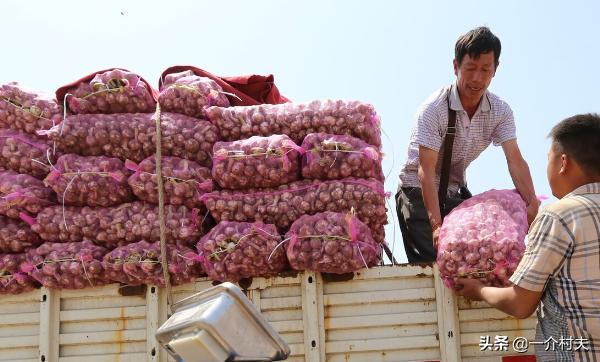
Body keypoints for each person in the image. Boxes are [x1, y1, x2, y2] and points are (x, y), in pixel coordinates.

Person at [455, 113, 600, 361]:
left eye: (549, 159)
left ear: (563, 163)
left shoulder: (559, 216)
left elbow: (520, 303)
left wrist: (478, 290)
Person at [396, 26, 539, 262]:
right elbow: (426, 171)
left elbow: (514, 159)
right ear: (456, 66)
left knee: (477, 258)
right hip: (418, 193)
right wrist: (435, 225)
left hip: (453, 193)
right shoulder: (433, 109)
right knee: (436, 262)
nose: (477, 78)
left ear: (495, 70)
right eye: (470, 68)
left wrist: (532, 203)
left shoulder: (500, 111)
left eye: (485, 69)